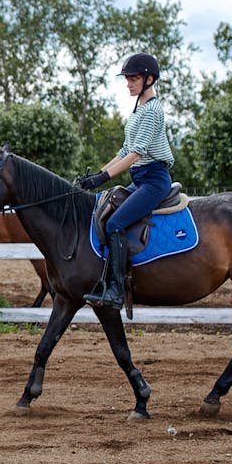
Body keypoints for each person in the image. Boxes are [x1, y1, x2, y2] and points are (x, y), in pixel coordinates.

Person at [75, 52, 174, 310]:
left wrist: (103, 178)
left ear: (149, 79)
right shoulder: (138, 109)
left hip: (153, 180)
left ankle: (117, 290)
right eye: (127, 79)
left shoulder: (152, 111)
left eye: (134, 79)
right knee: (105, 214)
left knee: (116, 223)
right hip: (140, 179)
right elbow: (123, 150)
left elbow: (135, 153)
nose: (129, 84)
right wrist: (96, 174)